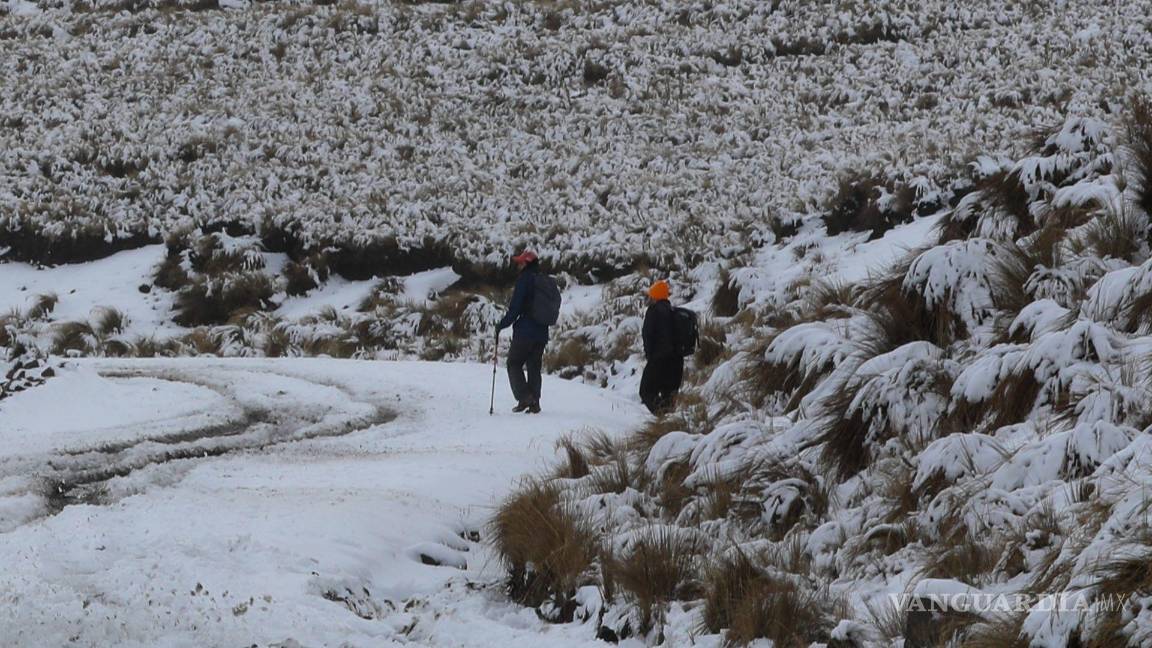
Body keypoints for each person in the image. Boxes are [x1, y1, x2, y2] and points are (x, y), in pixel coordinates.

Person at [496, 251, 549, 414]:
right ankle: (535, 403)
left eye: (520, 263)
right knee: (534, 366)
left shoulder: (524, 280)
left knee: (514, 363)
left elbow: (515, 308)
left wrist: (501, 325)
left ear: (526, 263)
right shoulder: (544, 280)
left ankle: (525, 397)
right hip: (542, 331)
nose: (518, 265)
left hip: (525, 331)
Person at [639, 279, 684, 415]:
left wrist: (650, 357)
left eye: (651, 295)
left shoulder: (653, 311)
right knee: (669, 396)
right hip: (677, 361)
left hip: (659, 360)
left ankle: (663, 418)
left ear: (655, 296)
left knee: (646, 391)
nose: (650, 298)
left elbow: (648, 335)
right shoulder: (674, 312)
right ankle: (669, 421)